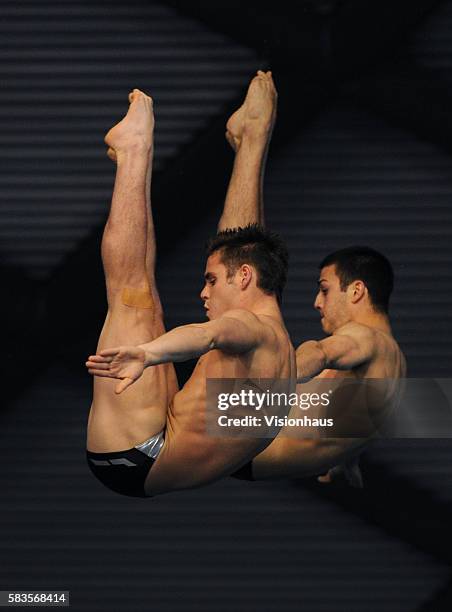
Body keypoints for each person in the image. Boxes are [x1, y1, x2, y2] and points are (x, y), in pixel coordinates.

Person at [85, 72, 296, 497]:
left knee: (133, 299)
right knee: (160, 292)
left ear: (244, 279)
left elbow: (207, 334)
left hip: (136, 453)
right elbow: (237, 257)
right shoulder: (283, 353)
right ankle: (252, 137)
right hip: (157, 446)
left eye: (211, 281)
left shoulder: (252, 330)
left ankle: (134, 150)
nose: (202, 292)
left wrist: (146, 353)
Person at [244, 245, 407, 483]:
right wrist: (346, 458)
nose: (317, 302)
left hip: (240, 445)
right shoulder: (397, 366)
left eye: (324, 290)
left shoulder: (366, 337)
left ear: (356, 291)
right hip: (253, 460)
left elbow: (320, 352)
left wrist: (279, 374)